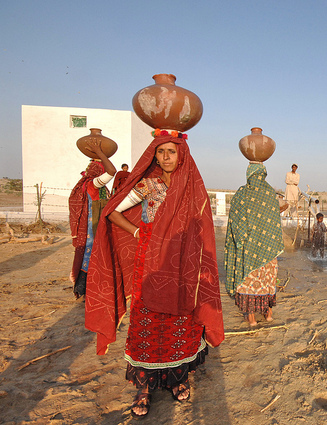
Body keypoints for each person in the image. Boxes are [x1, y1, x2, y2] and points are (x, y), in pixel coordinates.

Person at [85, 130, 225, 419]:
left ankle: (178, 378)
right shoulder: (149, 185)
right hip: (149, 262)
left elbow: (202, 229)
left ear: (181, 154)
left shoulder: (192, 189)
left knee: (181, 321)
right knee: (146, 323)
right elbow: (112, 211)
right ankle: (144, 388)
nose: (165, 157)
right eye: (160, 152)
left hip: (183, 265)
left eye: (171, 152)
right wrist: (138, 231)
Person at [226, 162, 285, 327]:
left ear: (249, 175)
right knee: (267, 280)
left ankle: (251, 317)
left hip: (249, 250)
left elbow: (236, 223)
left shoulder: (242, 194)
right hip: (268, 249)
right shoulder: (270, 196)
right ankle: (268, 313)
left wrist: (240, 240)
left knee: (249, 282)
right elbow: (274, 224)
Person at [68, 140, 116, 299]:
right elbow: (112, 171)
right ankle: (83, 288)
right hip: (92, 229)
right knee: (89, 255)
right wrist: (99, 152)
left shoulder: (98, 187)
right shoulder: (93, 184)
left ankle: (86, 288)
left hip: (96, 227)